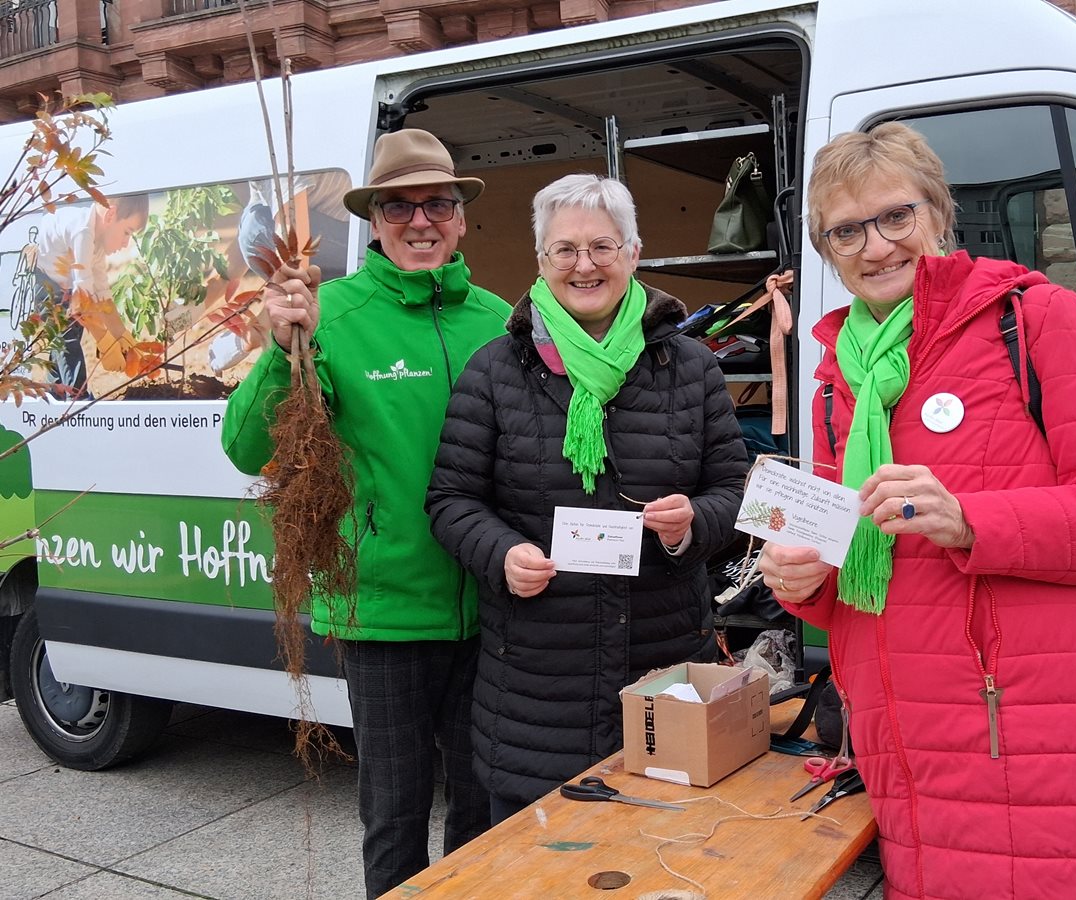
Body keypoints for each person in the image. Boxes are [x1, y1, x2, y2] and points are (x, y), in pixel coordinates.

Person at [757, 123, 1076, 899]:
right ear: (825, 247)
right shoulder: (833, 374)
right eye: (847, 230)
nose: (877, 247)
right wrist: (800, 578)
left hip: (1025, 736)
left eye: (896, 217)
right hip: (901, 750)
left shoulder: (1034, 319)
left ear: (939, 213)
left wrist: (970, 520)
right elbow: (845, 580)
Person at [221, 129, 508, 899]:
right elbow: (248, 450)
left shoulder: (500, 320)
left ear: (462, 217)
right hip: (383, 616)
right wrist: (281, 353)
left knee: (485, 812)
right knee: (395, 815)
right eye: (399, 206)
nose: (421, 221)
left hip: (494, 610)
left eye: (437, 204)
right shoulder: (331, 316)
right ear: (375, 220)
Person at [425, 173, 748, 822]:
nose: (584, 265)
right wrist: (503, 554)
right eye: (564, 250)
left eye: (603, 247)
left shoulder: (689, 367)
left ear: (633, 254)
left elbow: (736, 493)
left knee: (663, 871)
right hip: (535, 687)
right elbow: (451, 500)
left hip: (662, 669)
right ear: (541, 261)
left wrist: (692, 523)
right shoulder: (495, 370)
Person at [33, 196, 148, 395]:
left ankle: (55, 391)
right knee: (67, 335)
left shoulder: (96, 242)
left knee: (68, 334)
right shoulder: (83, 233)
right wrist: (105, 342)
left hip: (65, 285)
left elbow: (102, 295)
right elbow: (82, 306)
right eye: (126, 233)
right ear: (110, 214)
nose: (126, 242)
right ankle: (78, 398)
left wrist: (122, 337)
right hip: (46, 283)